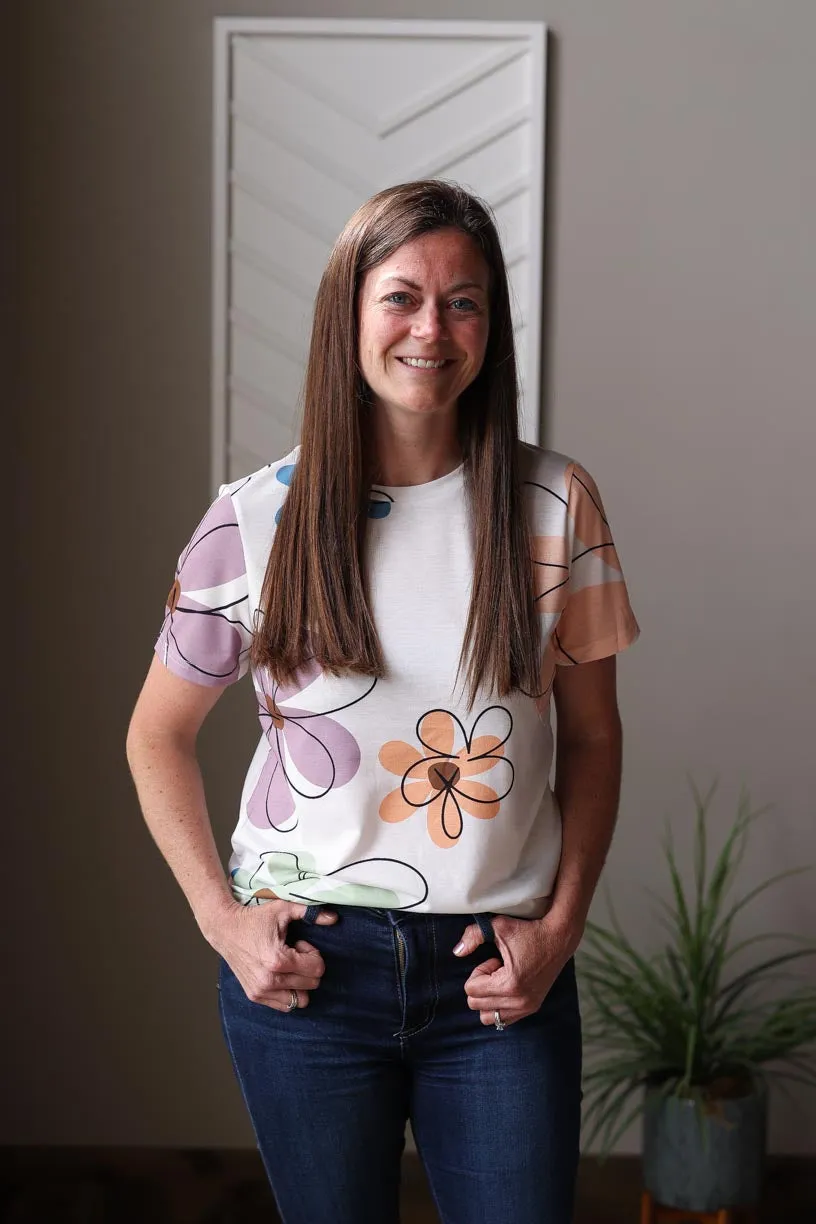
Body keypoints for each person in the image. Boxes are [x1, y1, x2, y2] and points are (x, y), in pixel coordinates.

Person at [127, 179, 639, 1224]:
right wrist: (222, 922)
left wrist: (562, 928)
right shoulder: (255, 516)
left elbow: (593, 740)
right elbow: (156, 736)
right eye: (402, 296)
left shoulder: (557, 505)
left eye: (464, 302)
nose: (432, 329)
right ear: (349, 314)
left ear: (490, 329)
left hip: (500, 975)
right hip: (309, 975)